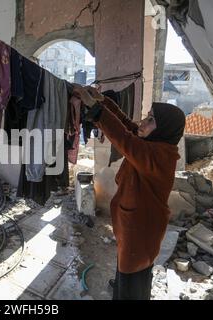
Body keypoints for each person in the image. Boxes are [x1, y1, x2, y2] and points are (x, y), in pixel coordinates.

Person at [73, 85, 186, 300]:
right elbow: (128, 127)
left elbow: (123, 139)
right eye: (147, 116)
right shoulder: (153, 142)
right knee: (131, 265)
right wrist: (104, 103)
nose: (143, 122)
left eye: (151, 120)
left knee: (132, 271)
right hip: (134, 221)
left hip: (141, 226)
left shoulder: (158, 155)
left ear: (165, 128)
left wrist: (97, 110)